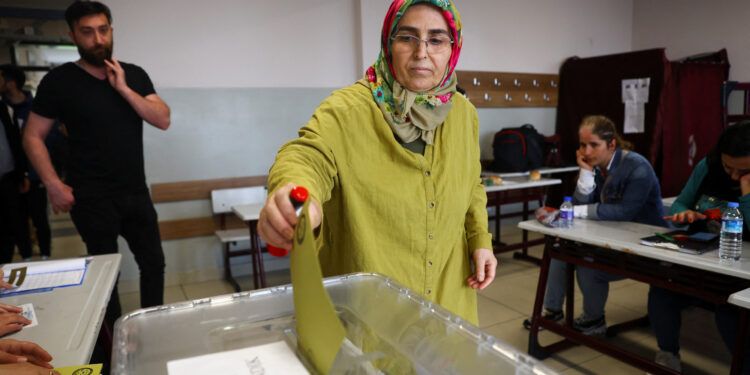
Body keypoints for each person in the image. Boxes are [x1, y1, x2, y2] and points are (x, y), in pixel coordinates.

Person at [257, 0, 496, 324]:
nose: (422, 52)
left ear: (452, 49)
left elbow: (471, 184)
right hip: (370, 318)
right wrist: (294, 192)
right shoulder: (346, 109)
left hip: (449, 301)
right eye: (407, 37)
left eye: (436, 40)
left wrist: (479, 239)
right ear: (388, 43)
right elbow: (307, 154)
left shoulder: (463, 113)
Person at [22, 1, 171, 326]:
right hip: (90, 197)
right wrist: (52, 183)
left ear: (111, 31)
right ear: (73, 35)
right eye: (87, 33)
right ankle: (115, 339)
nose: (97, 39)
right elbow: (32, 135)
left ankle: (153, 327)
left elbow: (162, 119)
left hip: (134, 191)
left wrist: (123, 89)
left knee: (154, 263)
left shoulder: (133, 74)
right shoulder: (59, 81)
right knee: (107, 276)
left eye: (103, 30)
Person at [523, 115, 667, 335]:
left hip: (644, 247)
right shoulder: (595, 166)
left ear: (611, 145)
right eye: (582, 145)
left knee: (587, 262)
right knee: (560, 251)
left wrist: (574, 212)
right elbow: (582, 204)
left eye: (593, 145)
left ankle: (594, 319)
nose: (586, 152)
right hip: (612, 238)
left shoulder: (637, 166)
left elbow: (624, 211)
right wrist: (585, 173)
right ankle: (553, 310)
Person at [656, 121, 750, 372]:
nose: (732, 176)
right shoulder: (707, 167)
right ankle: (668, 357)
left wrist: (747, 194)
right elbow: (680, 203)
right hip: (702, 257)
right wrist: (684, 213)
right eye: (728, 166)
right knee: (662, 292)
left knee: (731, 313)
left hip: (741, 269)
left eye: (742, 170)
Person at [0, 64, 60, 261]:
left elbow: (51, 137)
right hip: (14, 175)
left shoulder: (35, 108)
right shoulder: (5, 110)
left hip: (36, 173)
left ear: (11, 83)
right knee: (16, 220)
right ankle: (26, 257)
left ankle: (45, 255)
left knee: (40, 218)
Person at [0, 90, 32, 263]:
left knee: (15, 220)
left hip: (9, 176)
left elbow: (17, 143)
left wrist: (23, 173)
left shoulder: (6, 109)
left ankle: (23, 256)